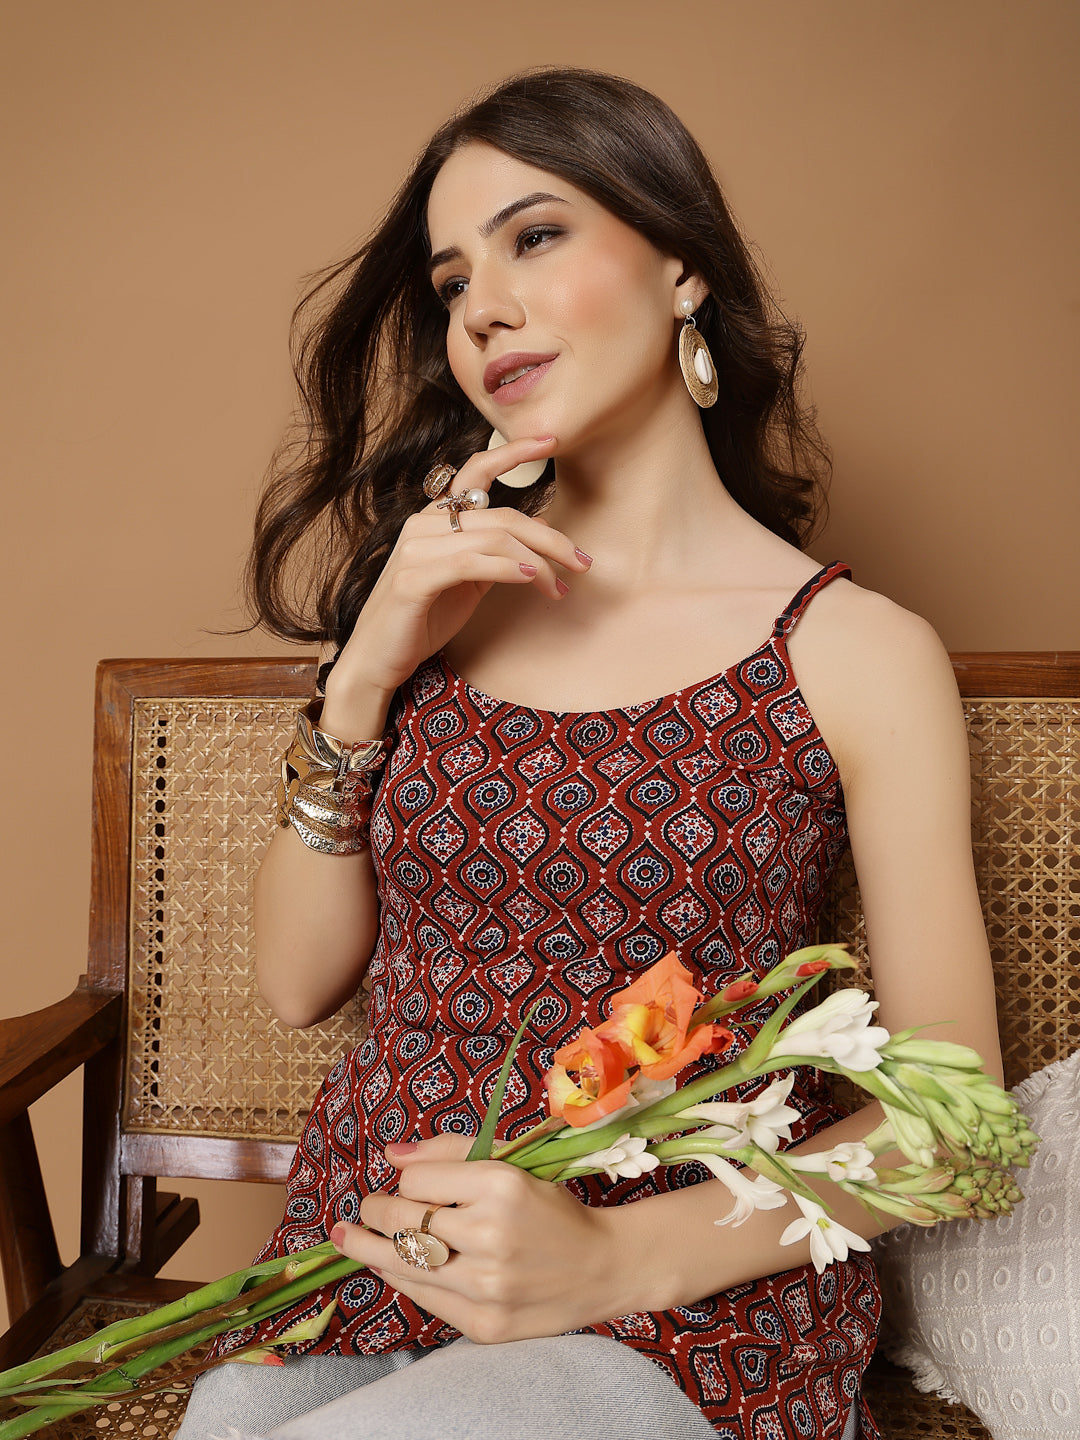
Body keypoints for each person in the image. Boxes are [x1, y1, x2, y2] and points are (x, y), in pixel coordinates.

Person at [177, 67, 1002, 1440]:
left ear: (683, 266)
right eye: (453, 280)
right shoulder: (437, 606)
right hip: (364, 1268)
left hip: (682, 1317)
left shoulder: (853, 651)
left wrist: (613, 1259)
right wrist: (365, 674)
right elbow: (297, 981)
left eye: (536, 236)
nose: (482, 307)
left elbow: (957, 1128)